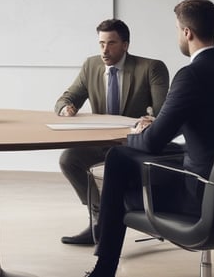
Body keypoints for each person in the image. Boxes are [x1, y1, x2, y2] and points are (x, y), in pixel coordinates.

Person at [84, 0, 214, 277]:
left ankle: (104, 268)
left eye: (177, 29)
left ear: (187, 32)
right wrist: (160, 124)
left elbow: (152, 143)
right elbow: (207, 125)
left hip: (199, 197)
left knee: (118, 159)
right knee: (165, 152)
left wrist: (132, 135)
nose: (178, 35)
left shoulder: (191, 75)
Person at [55, 18, 169, 245]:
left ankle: (113, 221)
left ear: (125, 44)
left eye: (111, 43)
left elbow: (164, 112)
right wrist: (66, 108)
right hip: (101, 141)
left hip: (133, 143)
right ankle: (99, 219)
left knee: (116, 167)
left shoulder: (151, 68)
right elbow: (66, 98)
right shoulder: (91, 66)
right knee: (69, 159)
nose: (105, 50)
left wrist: (150, 119)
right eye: (101, 44)